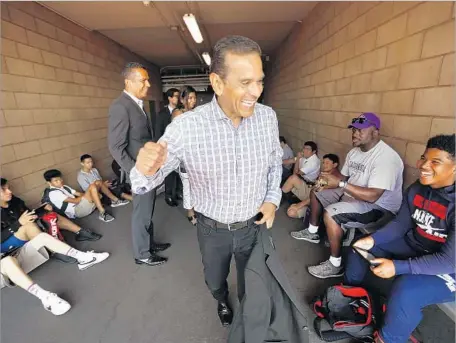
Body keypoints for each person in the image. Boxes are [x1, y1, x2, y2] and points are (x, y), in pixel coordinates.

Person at [130, 35, 283, 326]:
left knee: (254, 282)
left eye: (260, 81)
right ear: (217, 83)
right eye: (245, 82)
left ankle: (249, 314)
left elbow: (275, 162)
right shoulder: (187, 127)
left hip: (254, 226)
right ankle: (222, 300)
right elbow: (144, 183)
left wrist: (272, 200)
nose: (256, 92)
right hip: (213, 231)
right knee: (214, 279)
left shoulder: (267, 118)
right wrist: (145, 168)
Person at [345, 134, 455, 343]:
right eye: (423, 158)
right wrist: (373, 240)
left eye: (435, 162)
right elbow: (401, 224)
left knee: (406, 291)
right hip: (417, 245)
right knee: (360, 249)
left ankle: (389, 339)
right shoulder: (417, 189)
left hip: (449, 268)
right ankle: (354, 301)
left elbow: (448, 261)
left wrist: (397, 267)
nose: (422, 165)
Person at [297, 113, 404, 279]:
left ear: (375, 132)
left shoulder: (386, 158)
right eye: (353, 129)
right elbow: (343, 179)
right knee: (317, 191)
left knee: (332, 213)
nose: (355, 133)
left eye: (361, 130)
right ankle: (313, 231)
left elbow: (373, 196)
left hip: (379, 208)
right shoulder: (354, 152)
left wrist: (340, 185)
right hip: (354, 197)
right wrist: (326, 180)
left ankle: (335, 264)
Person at [108, 62, 170, 267]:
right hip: (139, 171)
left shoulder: (136, 104)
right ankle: (143, 253)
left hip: (148, 169)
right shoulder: (121, 106)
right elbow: (116, 147)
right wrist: (135, 171)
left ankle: (149, 243)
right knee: (141, 212)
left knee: (148, 209)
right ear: (128, 81)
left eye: (147, 79)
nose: (148, 84)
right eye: (143, 80)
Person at [1, 178, 101, 243]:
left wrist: (41, 210)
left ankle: (81, 232)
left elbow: (29, 213)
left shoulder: (15, 201)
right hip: (14, 237)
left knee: (51, 214)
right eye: (3, 190)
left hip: (29, 226)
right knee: (29, 226)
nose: (10, 191)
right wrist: (19, 223)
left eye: (8, 188)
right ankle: (60, 251)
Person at [43, 169, 115, 223]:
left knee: (98, 182)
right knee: (92, 186)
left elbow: (79, 194)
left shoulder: (64, 187)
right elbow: (75, 201)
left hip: (81, 204)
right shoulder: (53, 193)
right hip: (77, 211)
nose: (60, 181)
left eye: (60, 179)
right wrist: (90, 194)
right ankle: (102, 213)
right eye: (56, 180)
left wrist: (90, 195)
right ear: (49, 183)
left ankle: (115, 200)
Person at [172, 86, 198, 225]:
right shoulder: (178, 113)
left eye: (194, 97)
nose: (193, 100)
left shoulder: (195, 113)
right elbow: (176, 137)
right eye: (190, 98)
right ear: (182, 99)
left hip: (197, 155)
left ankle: (199, 207)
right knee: (188, 185)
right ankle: (190, 211)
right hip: (185, 156)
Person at [287, 154, 341, 219]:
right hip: (311, 199)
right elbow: (315, 187)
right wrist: (308, 185)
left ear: (335, 165)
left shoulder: (333, 178)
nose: (324, 165)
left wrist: (298, 206)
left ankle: (311, 215)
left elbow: (317, 195)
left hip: (319, 206)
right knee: (294, 179)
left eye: (327, 163)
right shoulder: (326, 173)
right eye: (323, 163)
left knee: (291, 212)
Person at [157, 88, 181, 207]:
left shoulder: (180, 111)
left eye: (178, 96)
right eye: (175, 96)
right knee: (169, 173)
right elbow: (158, 132)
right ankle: (168, 196)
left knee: (177, 172)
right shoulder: (162, 114)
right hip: (166, 148)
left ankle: (175, 192)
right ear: (170, 98)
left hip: (178, 147)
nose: (177, 98)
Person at [281, 141, 320, 205]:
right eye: (304, 148)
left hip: (308, 185)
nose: (305, 150)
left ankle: (279, 199)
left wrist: (298, 158)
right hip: (301, 179)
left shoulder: (313, 162)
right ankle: (283, 196)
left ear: (314, 152)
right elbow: (290, 160)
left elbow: (295, 174)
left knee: (292, 178)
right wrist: (275, 162)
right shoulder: (305, 155)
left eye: (308, 149)